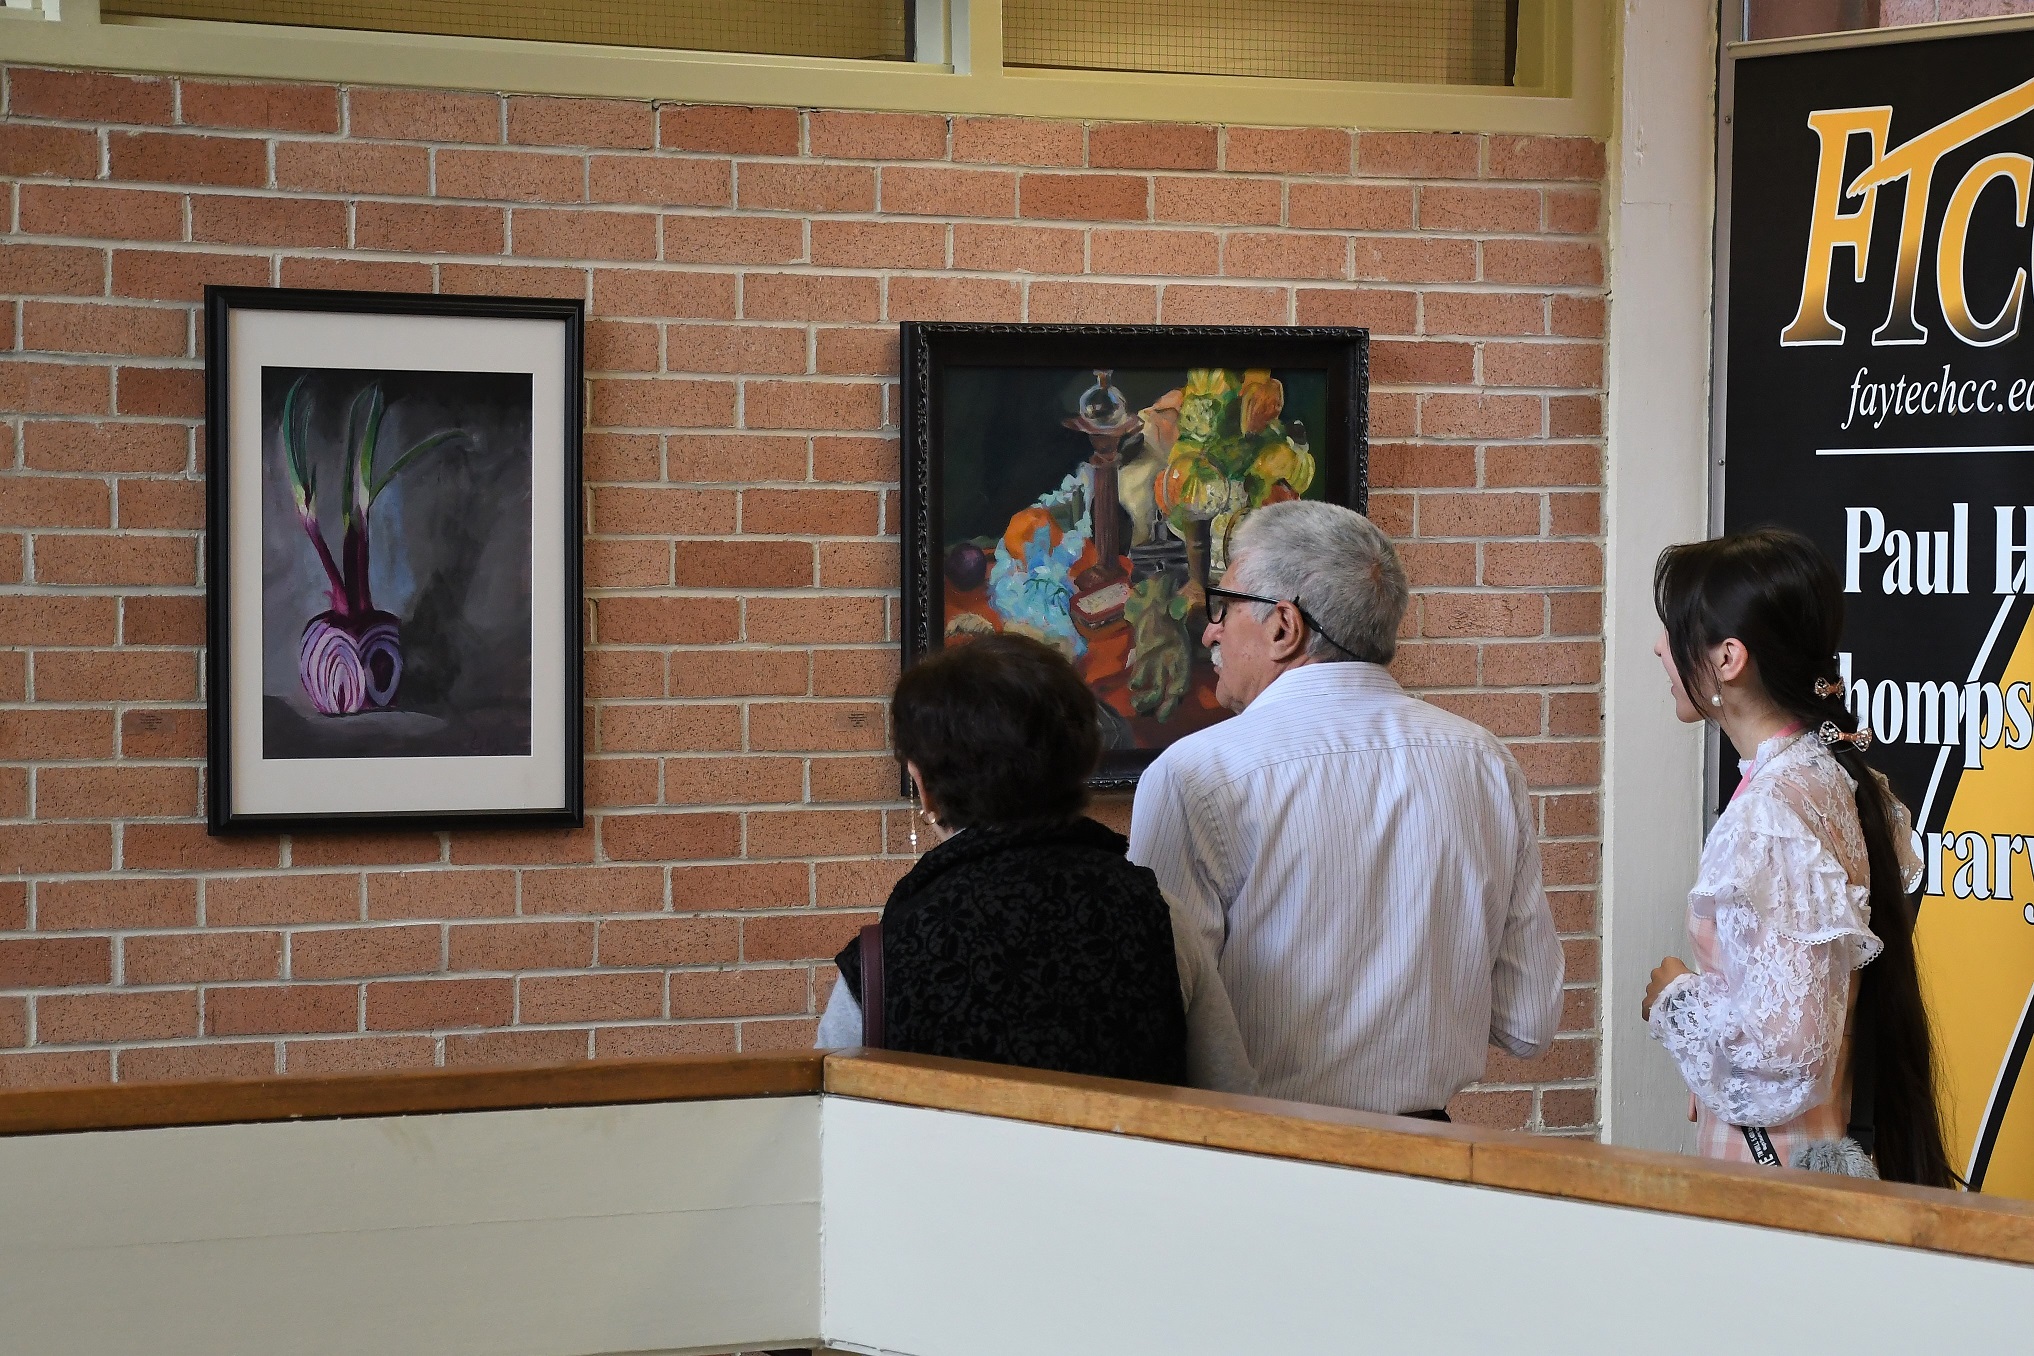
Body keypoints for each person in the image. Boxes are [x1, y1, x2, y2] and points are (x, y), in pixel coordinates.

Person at [1129, 500, 1564, 1117]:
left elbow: (1159, 1017)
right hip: (1435, 1176)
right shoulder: (1483, 762)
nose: (1209, 632)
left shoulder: (1193, 774)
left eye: (1220, 608)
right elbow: (1528, 1020)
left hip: (1261, 1168)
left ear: (1284, 626)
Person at [1641, 528, 1954, 1186]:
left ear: (1728, 658)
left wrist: (1676, 998)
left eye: (1673, 631)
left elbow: (1790, 1049)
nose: (1659, 648)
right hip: (1824, 1151)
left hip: (1776, 1173)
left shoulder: (1774, 812)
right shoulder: (1830, 777)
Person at [815, 633, 1254, 1094]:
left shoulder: (881, 960)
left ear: (923, 787)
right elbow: (1232, 1105)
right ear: (1079, 761)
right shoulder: (1159, 915)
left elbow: (834, 1127)